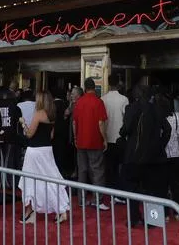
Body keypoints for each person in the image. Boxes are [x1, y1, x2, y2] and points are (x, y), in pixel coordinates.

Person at [120, 84, 171, 228]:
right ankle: (152, 220)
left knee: (132, 188)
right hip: (153, 156)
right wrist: (160, 145)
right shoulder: (156, 109)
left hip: (134, 155)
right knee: (152, 190)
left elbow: (125, 130)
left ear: (136, 95)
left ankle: (134, 218)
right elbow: (168, 129)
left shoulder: (131, 108)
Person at [18, 91, 70, 224]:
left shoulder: (39, 113)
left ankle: (30, 212)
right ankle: (61, 210)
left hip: (35, 151)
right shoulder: (52, 115)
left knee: (30, 180)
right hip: (47, 150)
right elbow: (51, 136)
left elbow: (29, 134)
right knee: (51, 179)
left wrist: (23, 123)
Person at [72, 78, 109, 210]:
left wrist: (75, 138)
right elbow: (101, 123)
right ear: (94, 87)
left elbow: (74, 123)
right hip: (95, 142)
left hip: (81, 141)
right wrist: (105, 139)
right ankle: (97, 200)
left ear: (85, 88)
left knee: (82, 171)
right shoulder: (98, 102)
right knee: (97, 171)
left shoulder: (79, 102)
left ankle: (81, 200)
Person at [157, 92, 179, 217]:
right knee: (175, 183)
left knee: (162, 184)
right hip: (175, 153)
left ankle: (165, 214)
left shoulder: (158, 117)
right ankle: (177, 212)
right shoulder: (176, 116)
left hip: (162, 154)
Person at [101, 75, 129, 192]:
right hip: (119, 137)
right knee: (120, 165)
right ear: (118, 84)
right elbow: (126, 118)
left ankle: (110, 188)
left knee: (109, 165)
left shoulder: (103, 99)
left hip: (106, 137)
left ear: (108, 83)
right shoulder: (124, 99)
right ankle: (119, 188)